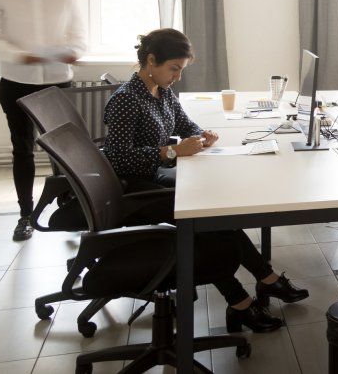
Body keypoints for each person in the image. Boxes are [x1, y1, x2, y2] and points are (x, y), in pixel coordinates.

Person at [102, 28, 308, 331]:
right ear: (151, 60)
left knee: (218, 214)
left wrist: (201, 135)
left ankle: (262, 284)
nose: (177, 76)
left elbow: (184, 123)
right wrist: (171, 151)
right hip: (137, 192)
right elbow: (117, 158)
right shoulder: (126, 100)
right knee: (211, 227)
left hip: (155, 178)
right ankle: (247, 296)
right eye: (174, 69)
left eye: (180, 70)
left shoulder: (160, 90)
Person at [0, 0, 86, 241]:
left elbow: (79, 35)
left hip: (57, 79)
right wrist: (18, 55)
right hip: (16, 81)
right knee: (22, 148)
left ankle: (70, 204)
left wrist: (73, 51)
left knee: (63, 148)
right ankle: (25, 214)